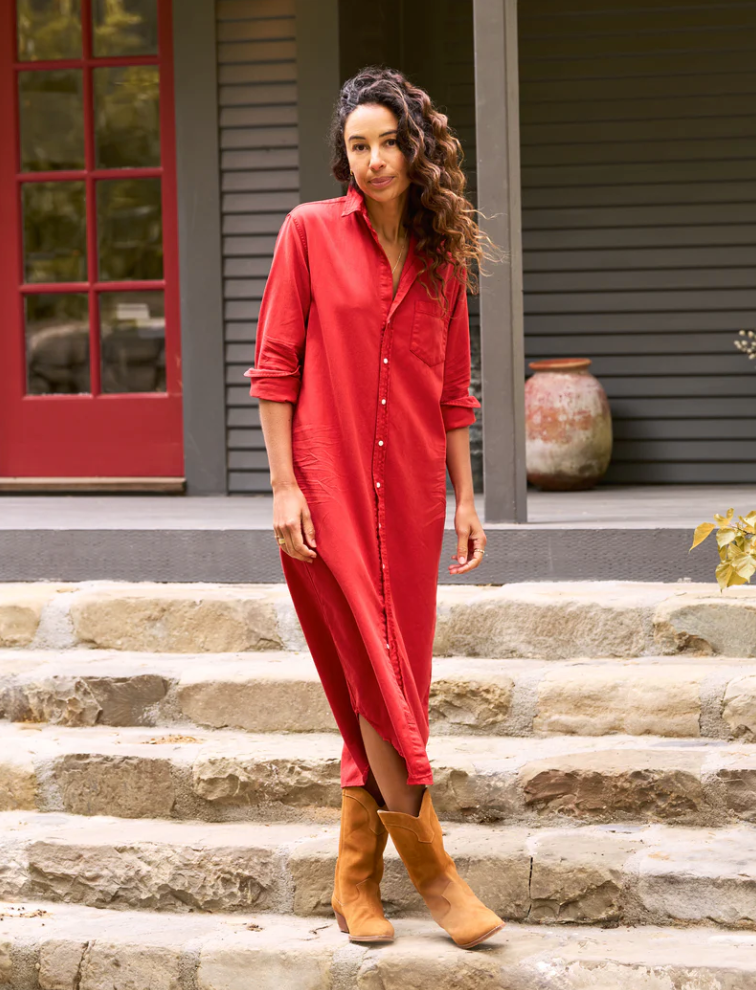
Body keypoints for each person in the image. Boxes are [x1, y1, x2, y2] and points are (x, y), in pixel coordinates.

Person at [245, 65, 505, 950]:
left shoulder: (442, 262)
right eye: (358, 146)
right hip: (327, 489)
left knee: (393, 677)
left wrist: (468, 499)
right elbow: (274, 368)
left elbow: (453, 393)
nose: (374, 160)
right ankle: (434, 872)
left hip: (412, 497)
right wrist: (283, 485)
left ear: (417, 147)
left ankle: (355, 883)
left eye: (389, 142)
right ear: (343, 156)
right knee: (370, 663)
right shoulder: (308, 233)